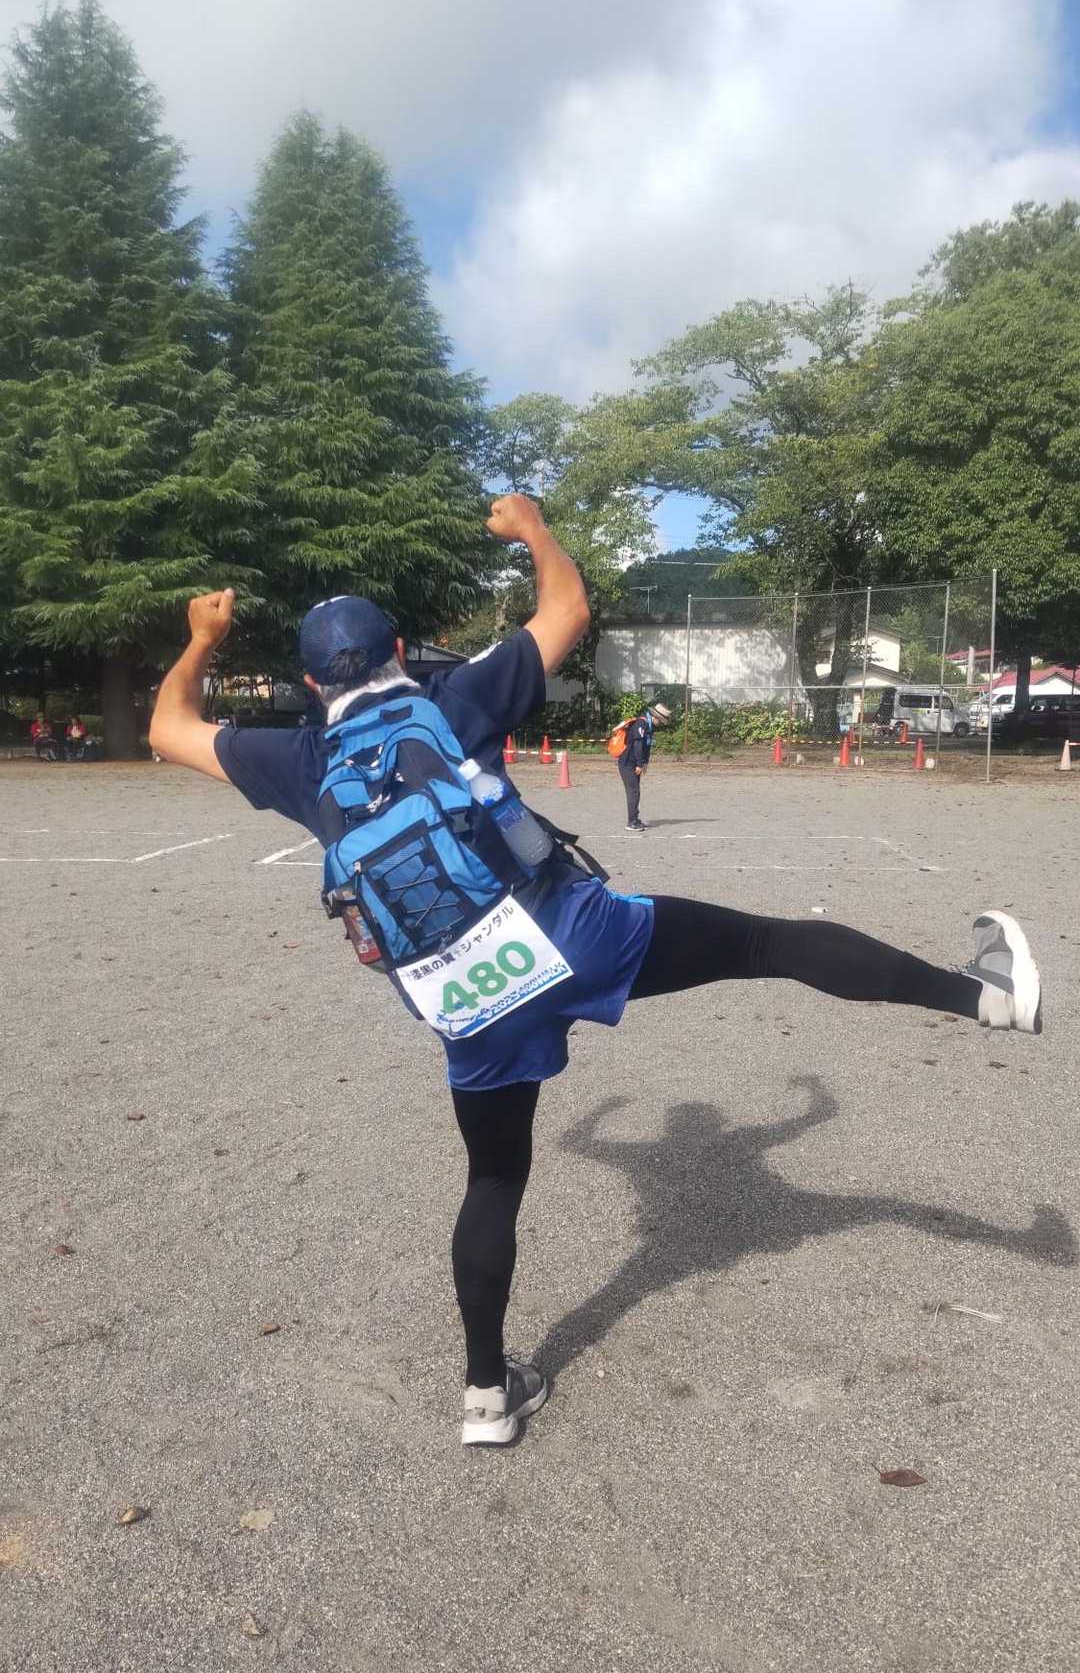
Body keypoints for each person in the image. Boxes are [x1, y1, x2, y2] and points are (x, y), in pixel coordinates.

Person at [150, 495, 1043, 1449]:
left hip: (460, 989)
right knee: (764, 946)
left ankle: (486, 1394)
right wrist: (532, 532)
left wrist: (202, 641)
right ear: (400, 651)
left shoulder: (299, 759)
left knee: (494, 1175)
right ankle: (987, 997)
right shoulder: (453, 700)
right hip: (568, 933)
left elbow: (168, 728)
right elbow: (568, 610)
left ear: (307, 681)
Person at [618, 702, 671, 831]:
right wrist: (639, 764)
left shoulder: (649, 726)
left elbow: (647, 746)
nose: (660, 724)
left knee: (635, 791)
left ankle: (635, 819)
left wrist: (645, 762)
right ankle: (631, 822)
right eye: (661, 721)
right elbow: (638, 746)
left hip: (634, 763)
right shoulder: (641, 724)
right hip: (627, 763)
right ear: (655, 717)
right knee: (633, 792)